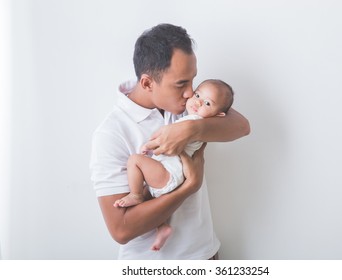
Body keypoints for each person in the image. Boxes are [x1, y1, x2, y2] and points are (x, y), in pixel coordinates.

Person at [90, 23, 250, 260]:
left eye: (192, 81)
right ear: (147, 83)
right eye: (181, 84)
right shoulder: (111, 134)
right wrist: (188, 188)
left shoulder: (190, 108)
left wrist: (190, 129)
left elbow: (241, 126)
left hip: (206, 255)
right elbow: (121, 230)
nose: (190, 92)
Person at [113, 79, 235, 251]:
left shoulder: (192, 121)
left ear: (218, 115)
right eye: (197, 95)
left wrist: (147, 146)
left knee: (135, 161)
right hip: (176, 175)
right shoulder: (203, 124)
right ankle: (162, 226)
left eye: (207, 103)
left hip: (169, 172)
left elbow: (164, 137)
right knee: (153, 202)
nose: (197, 101)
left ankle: (135, 195)